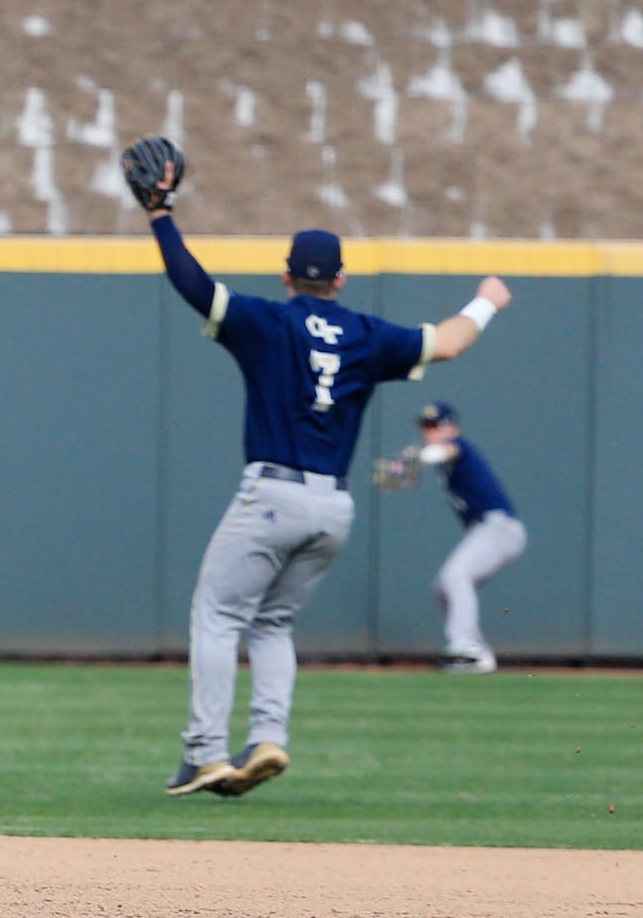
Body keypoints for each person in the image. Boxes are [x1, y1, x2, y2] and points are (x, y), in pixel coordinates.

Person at [118, 136, 514, 798]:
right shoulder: (365, 335)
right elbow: (448, 342)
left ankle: (204, 753)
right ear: (337, 280)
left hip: (272, 493)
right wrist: (486, 302)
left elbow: (192, 283)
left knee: (216, 616)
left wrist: (160, 214)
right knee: (272, 623)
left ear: (285, 276)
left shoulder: (264, 321)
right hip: (333, 508)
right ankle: (268, 737)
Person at [410, 401, 527, 674]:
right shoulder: (444, 457)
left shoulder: (458, 446)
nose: (428, 432)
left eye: (434, 426)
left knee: (455, 577)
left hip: (499, 528)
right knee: (443, 587)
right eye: (425, 427)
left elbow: (448, 449)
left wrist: (420, 457)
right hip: (486, 529)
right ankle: (477, 653)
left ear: (452, 427)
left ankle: (465, 646)